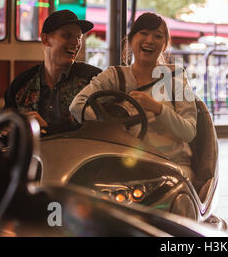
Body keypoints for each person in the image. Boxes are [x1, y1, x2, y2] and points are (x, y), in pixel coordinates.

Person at [69, 12, 197, 179]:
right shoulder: (115, 76)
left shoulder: (175, 77)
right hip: (126, 165)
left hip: (171, 164)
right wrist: (111, 125)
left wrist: (158, 109)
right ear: (130, 40)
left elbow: (189, 132)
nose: (150, 40)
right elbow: (77, 105)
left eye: (157, 36)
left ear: (164, 45)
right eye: (143, 33)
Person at [3, 10, 102, 135]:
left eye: (79, 37)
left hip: (80, 154)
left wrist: (46, 128)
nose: (76, 43)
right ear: (45, 39)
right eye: (67, 35)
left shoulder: (94, 80)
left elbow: (103, 130)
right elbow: (4, 129)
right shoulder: (21, 84)